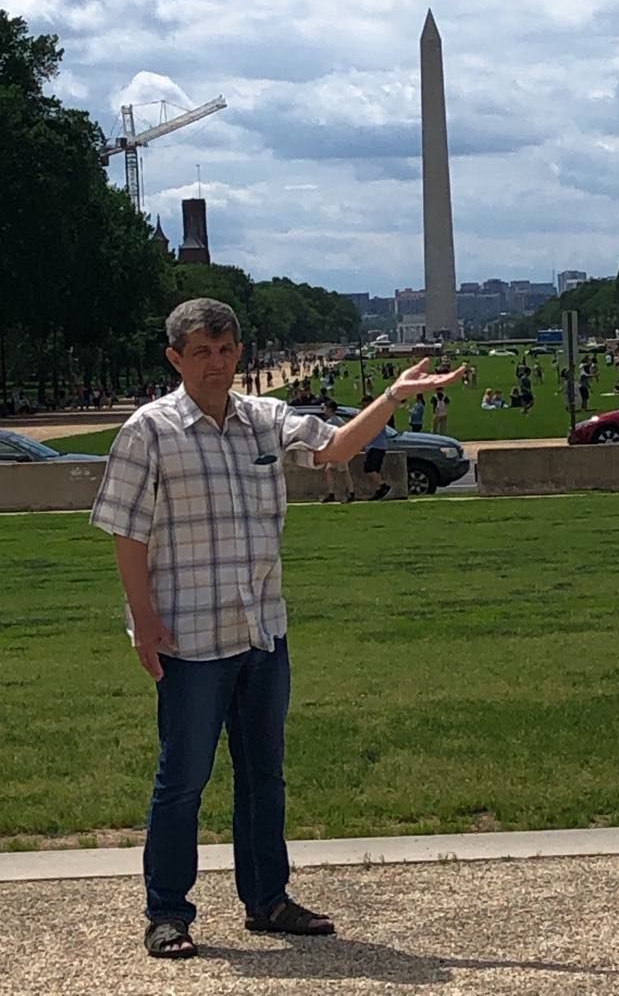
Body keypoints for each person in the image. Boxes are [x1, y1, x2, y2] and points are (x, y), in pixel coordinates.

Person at [89, 298, 464, 959]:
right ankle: (167, 912)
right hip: (190, 636)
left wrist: (392, 397)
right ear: (175, 359)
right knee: (183, 780)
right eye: (201, 352)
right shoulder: (149, 430)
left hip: (263, 628)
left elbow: (336, 447)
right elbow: (127, 530)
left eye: (225, 350)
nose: (216, 364)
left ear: (240, 353)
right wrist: (143, 619)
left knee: (264, 776)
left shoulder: (264, 420)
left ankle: (267, 899)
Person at [320, 400, 355, 504]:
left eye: (325, 408)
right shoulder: (339, 420)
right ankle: (333, 493)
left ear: (330, 409)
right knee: (330, 470)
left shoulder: (330, 422)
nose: (323, 410)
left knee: (343, 472)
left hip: (338, 451)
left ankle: (351, 493)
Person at [359, 394, 390, 500]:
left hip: (376, 446)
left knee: (369, 469)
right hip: (376, 446)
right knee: (375, 469)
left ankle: (383, 485)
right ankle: (378, 490)